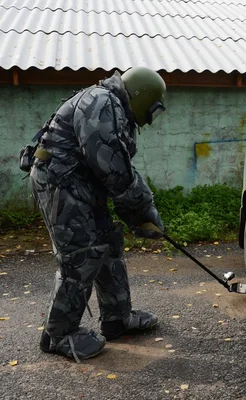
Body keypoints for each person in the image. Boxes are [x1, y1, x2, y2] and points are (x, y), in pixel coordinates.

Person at [27, 66, 167, 362]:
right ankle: (59, 334)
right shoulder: (101, 102)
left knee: (109, 245)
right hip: (60, 183)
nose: (149, 120)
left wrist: (139, 214)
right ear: (142, 97)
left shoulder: (114, 107)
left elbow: (120, 168)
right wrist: (142, 212)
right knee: (81, 255)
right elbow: (113, 169)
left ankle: (117, 318)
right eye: (152, 110)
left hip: (81, 183)